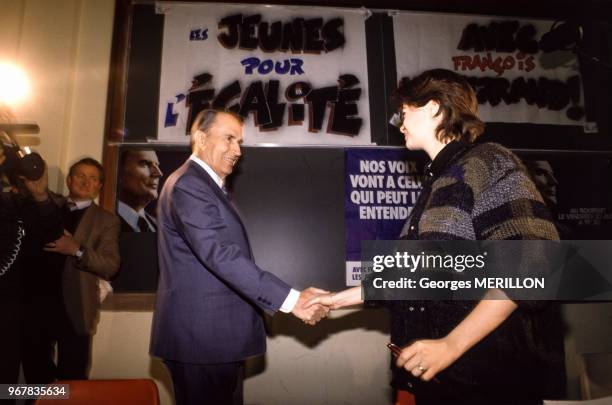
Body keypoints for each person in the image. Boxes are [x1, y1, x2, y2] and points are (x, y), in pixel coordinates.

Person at [307, 69, 566, 404]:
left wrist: (451, 345)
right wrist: (334, 299)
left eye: (404, 112)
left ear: (432, 107)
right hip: (435, 383)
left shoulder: (488, 161)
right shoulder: (438, 183)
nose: (399, 123)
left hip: (487, 382)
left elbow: (534, 267)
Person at [150, 109, 328, 405]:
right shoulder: (189, 186)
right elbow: (220, 254)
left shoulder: (206, 187)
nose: (237, 150)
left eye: (240, 141)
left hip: (214, 342)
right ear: (200, 138)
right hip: (202, 342)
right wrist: (292, 300)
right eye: (229, 139)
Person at [21, 157, 120, 383]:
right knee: (35, 380)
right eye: (80, 176)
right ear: (68, 180)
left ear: (100, 187)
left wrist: (77, 250)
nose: (86, 182)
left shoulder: (107, 221)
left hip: (76, 309)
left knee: (74, 382)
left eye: (93, 178)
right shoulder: (46, 204)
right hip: (35, 306)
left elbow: (110, 265)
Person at [0, 145, 61, 403]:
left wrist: (40, 196)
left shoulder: (29, 204)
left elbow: (51, 237)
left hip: (29, 311)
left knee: (39, 385)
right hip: (7, 311)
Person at [117, 149, 162, 232]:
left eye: (157, 165)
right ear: (119, 171)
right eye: (144, 164)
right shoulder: (104, 223)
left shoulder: (159, 227)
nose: (158, 173)